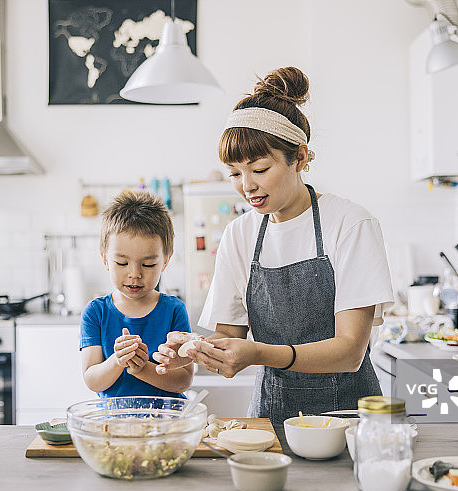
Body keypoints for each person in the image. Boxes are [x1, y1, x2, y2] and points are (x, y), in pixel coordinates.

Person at [154, 66, 394, 424]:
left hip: (349, 419)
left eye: (259, 169)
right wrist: (195, 350)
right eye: (235, 173)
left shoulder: (349, 223)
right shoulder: (239, 234)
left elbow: (350, 352)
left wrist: (257, 352)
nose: (246, 185)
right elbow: (229, 338)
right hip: (270, 418)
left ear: (299, 157)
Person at [81, 190, 195, 398]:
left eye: (148, 264)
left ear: (166, 261)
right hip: (114, 424)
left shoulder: (173, 310)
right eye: (122, 263)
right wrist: (118, 360)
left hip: (165, 424)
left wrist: (143, 368)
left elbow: (183, 381)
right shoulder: (95, 312)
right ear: (105, 259)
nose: (135, 274)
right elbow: (92, 380)